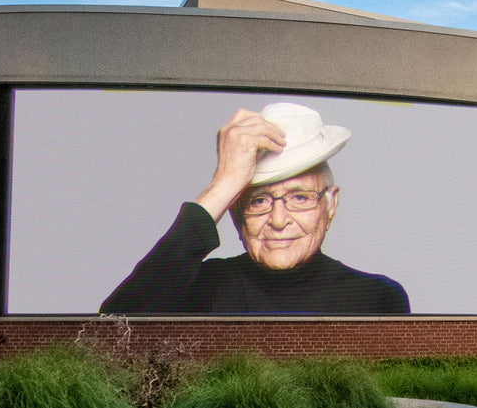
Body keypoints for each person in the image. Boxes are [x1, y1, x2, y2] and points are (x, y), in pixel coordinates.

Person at [100, 102, 409, 314]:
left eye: (299, 197)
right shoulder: (197, 286)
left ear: (330, 205)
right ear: (235, 214)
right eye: (258, 200)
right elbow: (112, 328)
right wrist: (222, 184)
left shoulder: (377, 297)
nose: (277, 220)